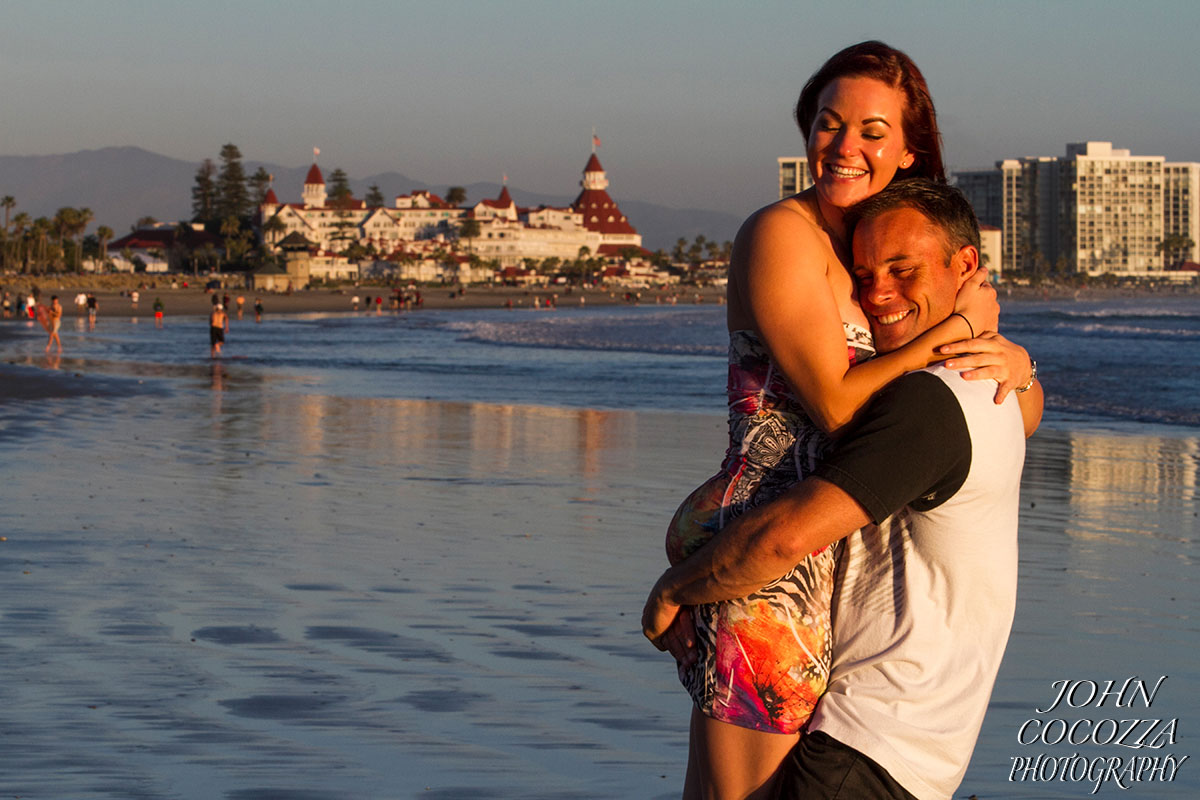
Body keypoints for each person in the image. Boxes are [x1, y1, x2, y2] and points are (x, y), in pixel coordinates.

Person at [655, 42, 1038, 800]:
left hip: (823, 555)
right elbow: (834, 402)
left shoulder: (886, 248)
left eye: (871, 130)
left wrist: (1015, 359)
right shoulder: (783, 234)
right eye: (829, 124)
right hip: (767, 547)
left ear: (908, 149)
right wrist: (951, 329)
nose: (845, 146)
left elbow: (1005, 417)